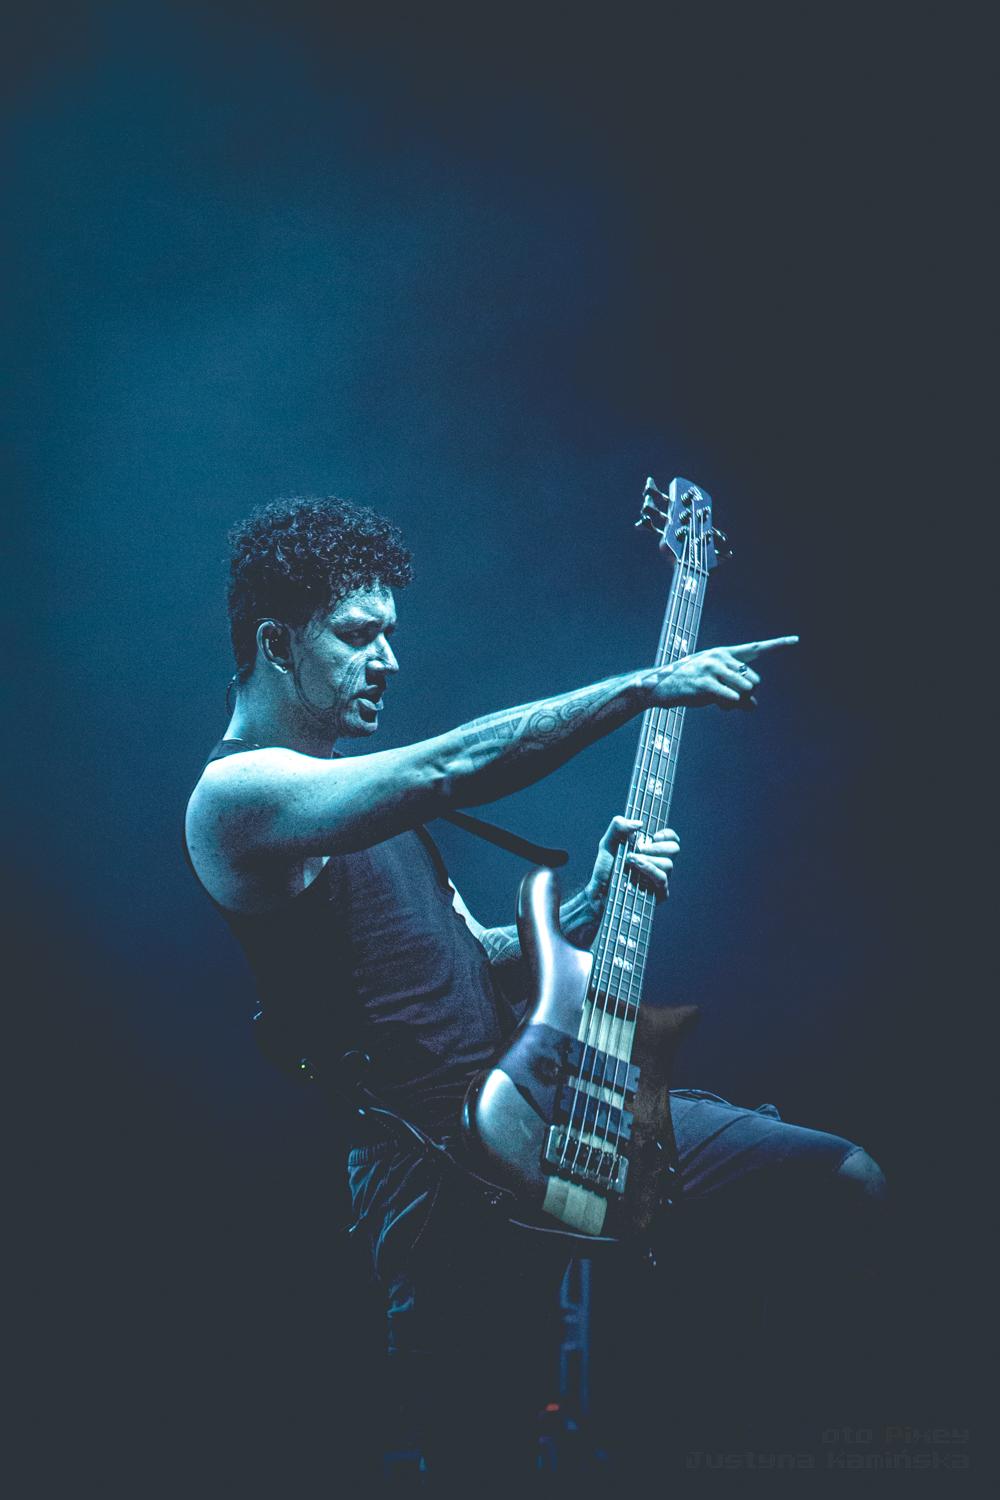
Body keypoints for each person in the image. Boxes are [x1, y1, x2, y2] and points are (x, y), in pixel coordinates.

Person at [185, 496, 886, 1489]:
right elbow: (451, 767)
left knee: (842, 1179)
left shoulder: (361, 799)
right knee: (488, 1464)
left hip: (549, 1111)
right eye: (358, 635)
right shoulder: (237, 798)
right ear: (274, 643)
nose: (388, 661)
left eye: (391, 634)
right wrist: (642, 688)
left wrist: (593, 901)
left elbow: (475, 958)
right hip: (434, 1179)